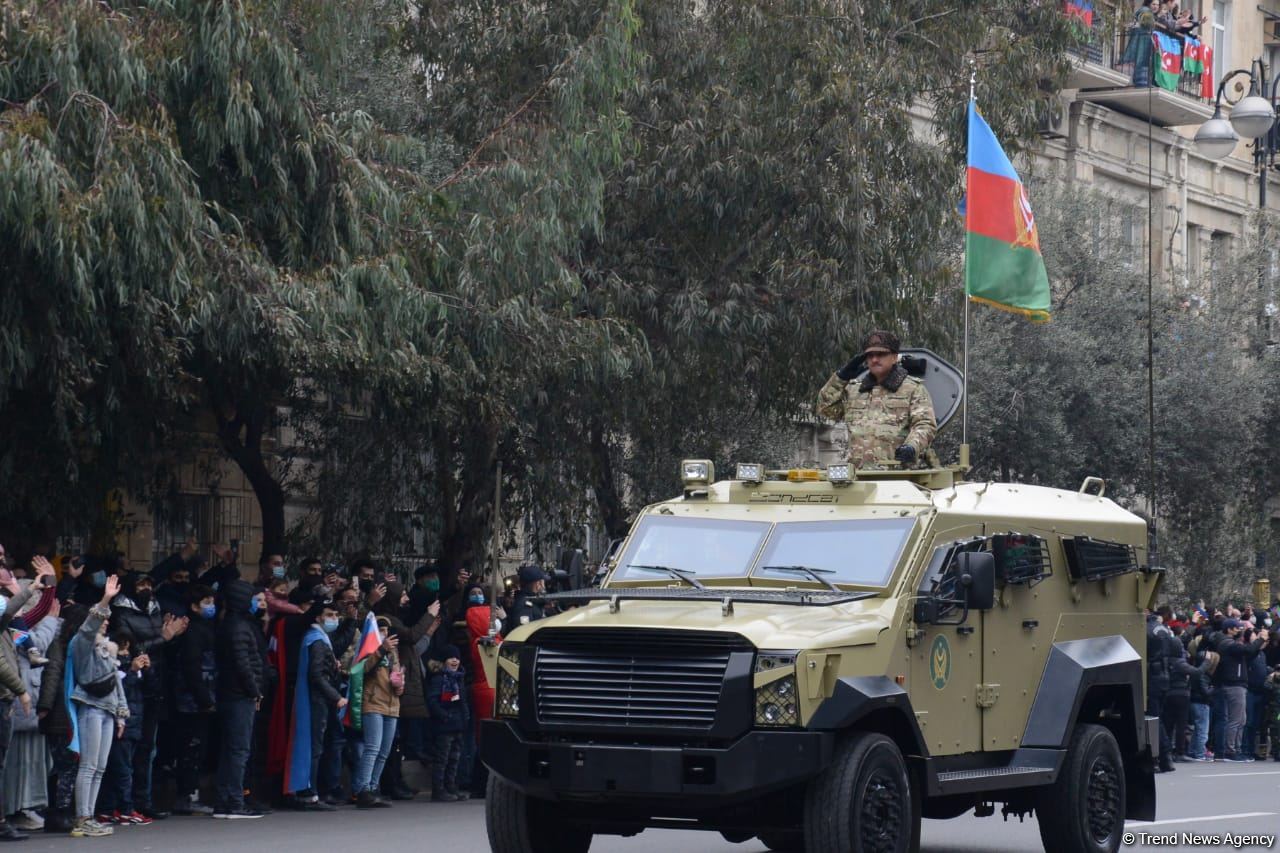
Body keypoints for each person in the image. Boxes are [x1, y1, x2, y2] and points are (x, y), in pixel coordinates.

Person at [816, 330, 937, 468]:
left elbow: (925, 425)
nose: (874, 360)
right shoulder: (854, 390)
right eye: (870, 355)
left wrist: (912, 447)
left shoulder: (912, 389)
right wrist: (840, 378)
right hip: (858, 474)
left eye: (881, 354)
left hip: (897, 474)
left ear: (894, 357)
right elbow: (825, 410)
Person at [68, 575, 128, 838]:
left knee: (100, 767)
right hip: (91, 707)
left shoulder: (108, 648)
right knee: (89, 766)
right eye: (102, 618)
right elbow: (89, 626)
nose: (105, 621)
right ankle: (82, 818)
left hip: (107, 710)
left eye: (107, 619)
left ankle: (89, 816)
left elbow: (116, 683)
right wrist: (105, 599)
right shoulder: (81, 644)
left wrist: (121, 714)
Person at [285, 599, 345, 811]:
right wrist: (336, 697)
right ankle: (308, 793)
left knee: (316, 746)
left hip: (318, 699)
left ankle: (310, 791)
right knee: (314, 747)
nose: (334, 619)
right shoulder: (317, 641)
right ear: (318, 617)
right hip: (316, 700)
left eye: (336, 615)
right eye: (329, 615)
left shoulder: (319, 639)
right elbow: (316, 675)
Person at [213, 580, 266, 819]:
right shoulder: (240, 627)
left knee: (229, 749)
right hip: (239, 696)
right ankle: (235, 801)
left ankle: (224, 800)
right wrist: (255, 691)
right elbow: (244, 665)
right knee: (239, 750)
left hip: (229, 693)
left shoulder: (228, 624)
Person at [95, 627, 151, 826]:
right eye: (122, 650)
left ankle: (107, 808)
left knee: (119, 768)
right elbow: (119, 692)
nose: (126, 655)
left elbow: (151, 689)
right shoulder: (112, 666)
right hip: (120, 724)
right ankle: (125, 809)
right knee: (122, 769)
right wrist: (132, 671)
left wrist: (146, 670)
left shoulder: (135, 668)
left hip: (135, 723)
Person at [172, 585, 218, 815]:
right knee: (191, 749)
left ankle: (191, 794)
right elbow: (192, 668)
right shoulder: (193, 632)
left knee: (197, 749)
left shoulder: (205, 628)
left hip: (200, 698)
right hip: (192, 702)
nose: (211, 607)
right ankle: (187, 795)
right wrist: (205, 699)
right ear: (194, 606)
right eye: (206, 602)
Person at [351, 617, 402, 808]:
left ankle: (373, 788)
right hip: (373, 703)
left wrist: (400, 685)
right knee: (372, 748)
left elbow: (396, 673)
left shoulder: (393, 651)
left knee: (384, 751)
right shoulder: (369, 647)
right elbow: (362, 669)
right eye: (381, 629)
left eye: (387, 630)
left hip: (392, 704)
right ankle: (362, 789)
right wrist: (381, 650)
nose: (385, 633)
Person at [1215, 618, 1268, 762]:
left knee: (1241, 720)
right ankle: (1230, 751)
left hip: (1238, 685)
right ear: (1229, 629)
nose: (1240, 630)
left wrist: (1258, 644)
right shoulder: (1228, 644)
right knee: (1235, 720)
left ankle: (1236, 749)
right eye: (1237, 628)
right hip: (1234, 684)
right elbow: (1247, 650)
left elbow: (1249, 654)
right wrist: (1260, 639)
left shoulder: (1232, 645)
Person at [426, 645, 469, 802]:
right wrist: (445, 716)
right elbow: (432, 701)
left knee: (454, 758)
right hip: (444, 725)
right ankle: (438, 789)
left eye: (457, 658)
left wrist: (465, 717)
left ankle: (450, 786)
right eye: (451, 658)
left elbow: (462, 701)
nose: (455, 660)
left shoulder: (459, 678)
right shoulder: (439, 679)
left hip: (457, 724)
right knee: (442, 759)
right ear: (444, 661)